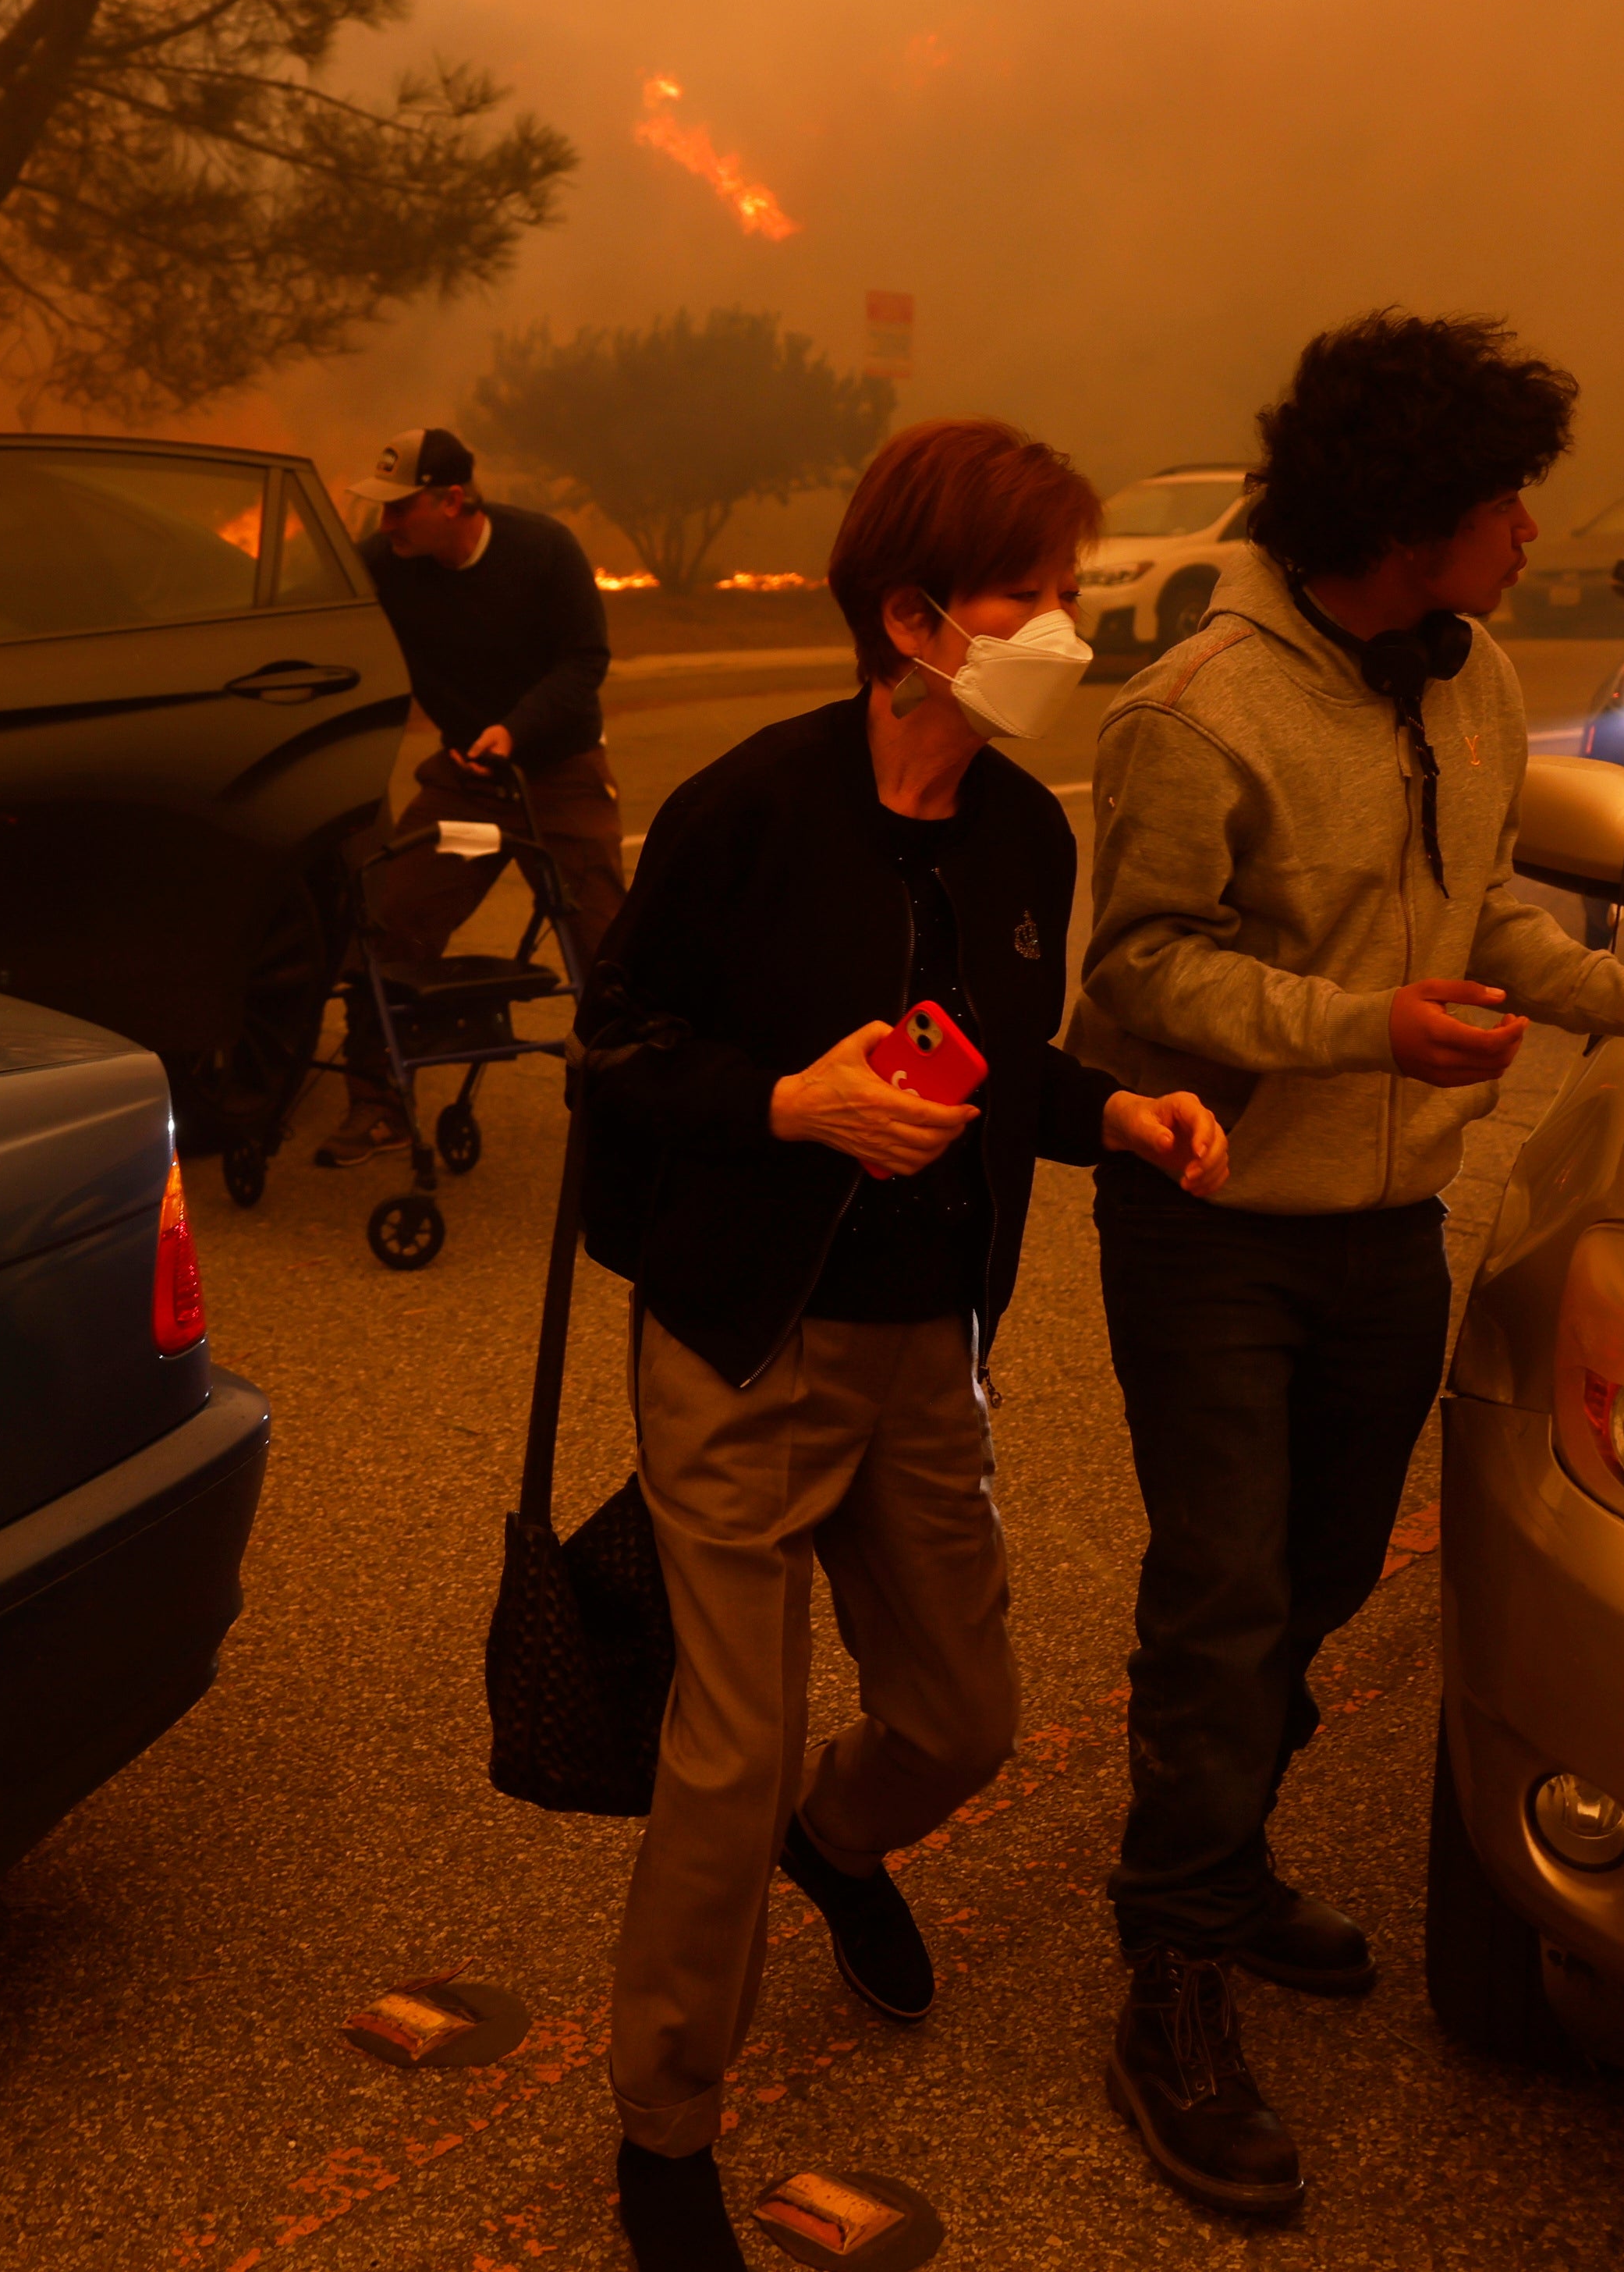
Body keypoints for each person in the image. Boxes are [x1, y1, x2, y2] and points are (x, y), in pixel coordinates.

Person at [1072, 311, 1624, 2220]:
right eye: (1502, 501)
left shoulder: (1466, 675)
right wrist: (1356, 1031)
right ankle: (1168, 1965)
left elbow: (1478, 907)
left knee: (1315, 1578)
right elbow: (1131, 975)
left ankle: (1215, 1858)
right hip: (1213, 1225)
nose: (1532, 531)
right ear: (1408, 518)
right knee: (1222, 1596)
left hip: (1386, 1228)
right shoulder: (1196, 709)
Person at [573, 417, 1235, 2272]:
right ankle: (662, 2127)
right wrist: (788, 1106)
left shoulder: (1024, 834)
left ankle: (840, 1839)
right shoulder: (745, 814)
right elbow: (610, 1049)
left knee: (960, 1719)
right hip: (736, 1340)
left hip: (921, 1349)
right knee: (726, 1749)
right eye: (1040, 596)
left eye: (1072, 594)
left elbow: (995, 1068)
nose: (1069, 631)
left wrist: (1113, 1115)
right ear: (916, 617)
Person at [320, 424, 632, 1165]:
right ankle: (378, 1100)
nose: (385, 524)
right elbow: (325, 621)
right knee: (389, 919)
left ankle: (629, 1110)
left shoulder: (544, 551)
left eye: (401, 509)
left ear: (453, 500)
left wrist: (515, 730)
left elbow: (586, 659)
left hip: (558, 771)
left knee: (606, 946)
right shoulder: (384, 565)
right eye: (381, 510)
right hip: (465, 779)